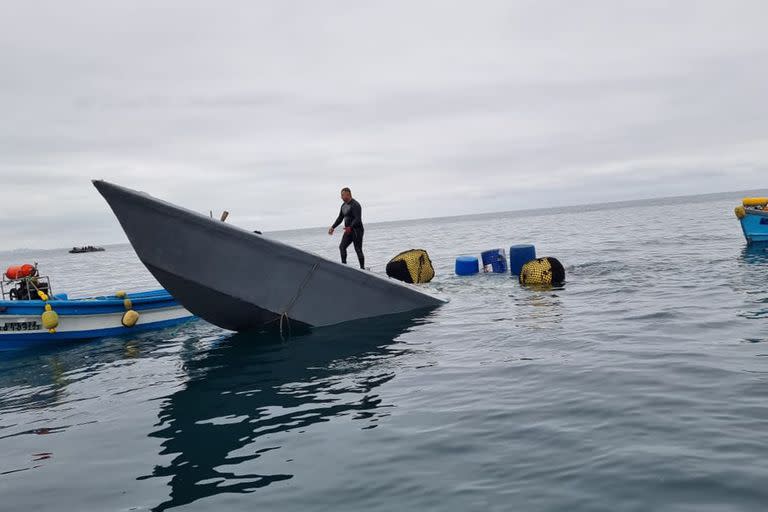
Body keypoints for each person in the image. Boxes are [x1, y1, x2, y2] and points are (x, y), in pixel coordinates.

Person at [328, 187, 365, 268]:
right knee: (342, 247)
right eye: (341, 195)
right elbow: (340, 218)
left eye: (342, 195)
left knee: (358, 249)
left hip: (357, 230)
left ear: (348, 194)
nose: (341, 197)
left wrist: (350, 227)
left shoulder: (355, 204)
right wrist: (333, 227)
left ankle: (362, 268)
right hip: (348, 230)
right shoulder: (343, 206)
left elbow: (358, 219)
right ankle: (344, 266)